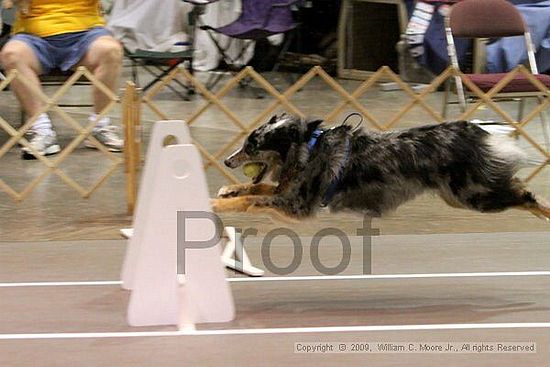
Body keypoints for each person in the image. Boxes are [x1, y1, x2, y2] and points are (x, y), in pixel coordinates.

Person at [0, 0, 123, 159]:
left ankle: (99, 126)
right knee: (11, 54)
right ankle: (42, 130)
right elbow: (8, 4)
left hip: (87, 32)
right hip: (33, 35)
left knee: (111, 50)